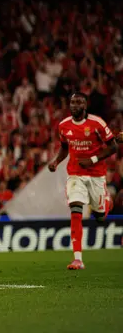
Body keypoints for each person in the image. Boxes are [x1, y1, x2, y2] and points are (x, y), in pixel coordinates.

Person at [48, 92, 118, 270]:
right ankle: (77, 259)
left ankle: (106, 201)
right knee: (76, 210)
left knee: (100, 217)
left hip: (96, 174)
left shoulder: (96, 123)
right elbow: (65, 148)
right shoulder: (63, 126)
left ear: (85, 105)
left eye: (78, 102)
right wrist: (56, 161)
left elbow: (113, 146)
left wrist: (93, 160)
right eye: (72, 102)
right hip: (75, 174)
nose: (74, 105)